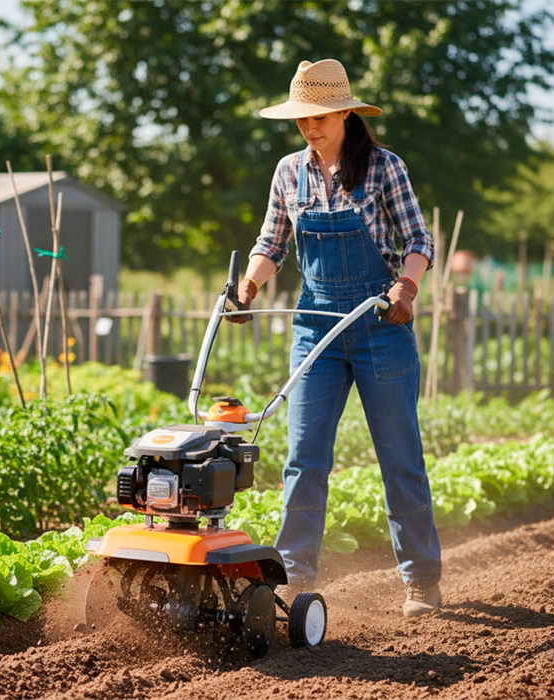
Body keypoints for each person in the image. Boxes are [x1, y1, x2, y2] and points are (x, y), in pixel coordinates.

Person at [233, 59, 442, 617]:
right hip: (317, 328)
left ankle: (420, 579)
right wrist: (248, 286)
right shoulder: (288, 172)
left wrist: (406, 287)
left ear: (346, 111)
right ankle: (293, 578)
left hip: (381, 324)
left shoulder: (383, 168)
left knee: (399, 458)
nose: (309, 127)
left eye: (319, 116)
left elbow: (419, 238)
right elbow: (271, 243)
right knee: (304, 458)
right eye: (301, 118)